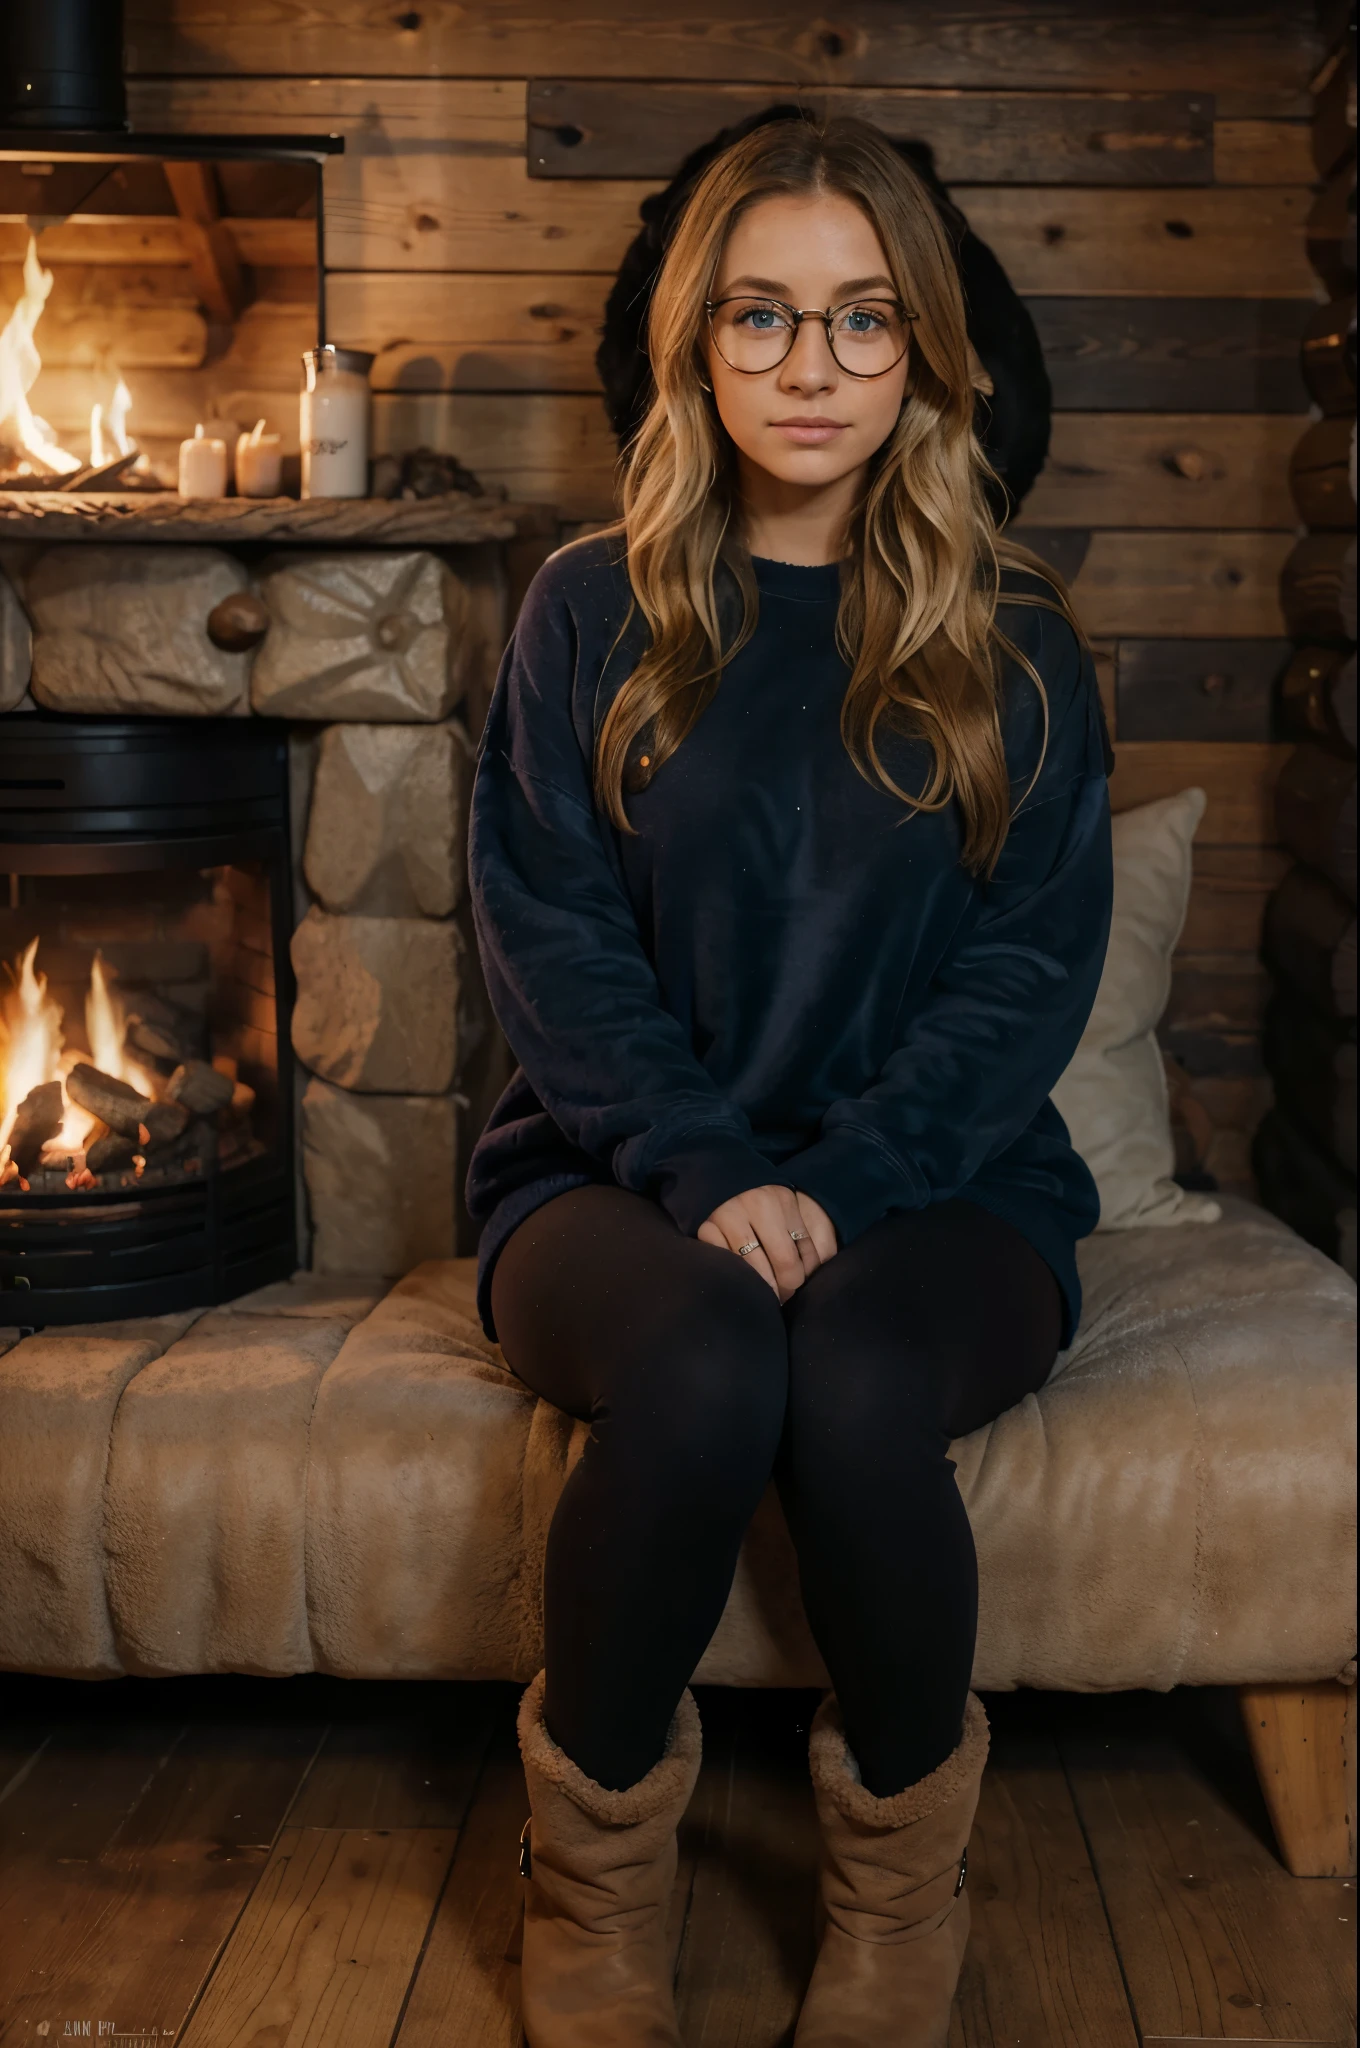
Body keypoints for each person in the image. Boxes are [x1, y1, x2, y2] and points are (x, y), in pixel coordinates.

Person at [465, 114, 1113, 2048]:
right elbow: (550, 936)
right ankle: (591, 1886)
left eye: (860, 322)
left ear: (924, 349)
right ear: (698, 340)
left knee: (842, 1369)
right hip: (606, 1172)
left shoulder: (1019, 640)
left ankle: (902, 1903)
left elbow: (1025, 975)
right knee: (713, 1354)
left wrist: (861, 1173)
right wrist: (700, 1162)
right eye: (763, 317)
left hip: (950, 1184)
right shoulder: (593, 606)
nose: (810, 371)